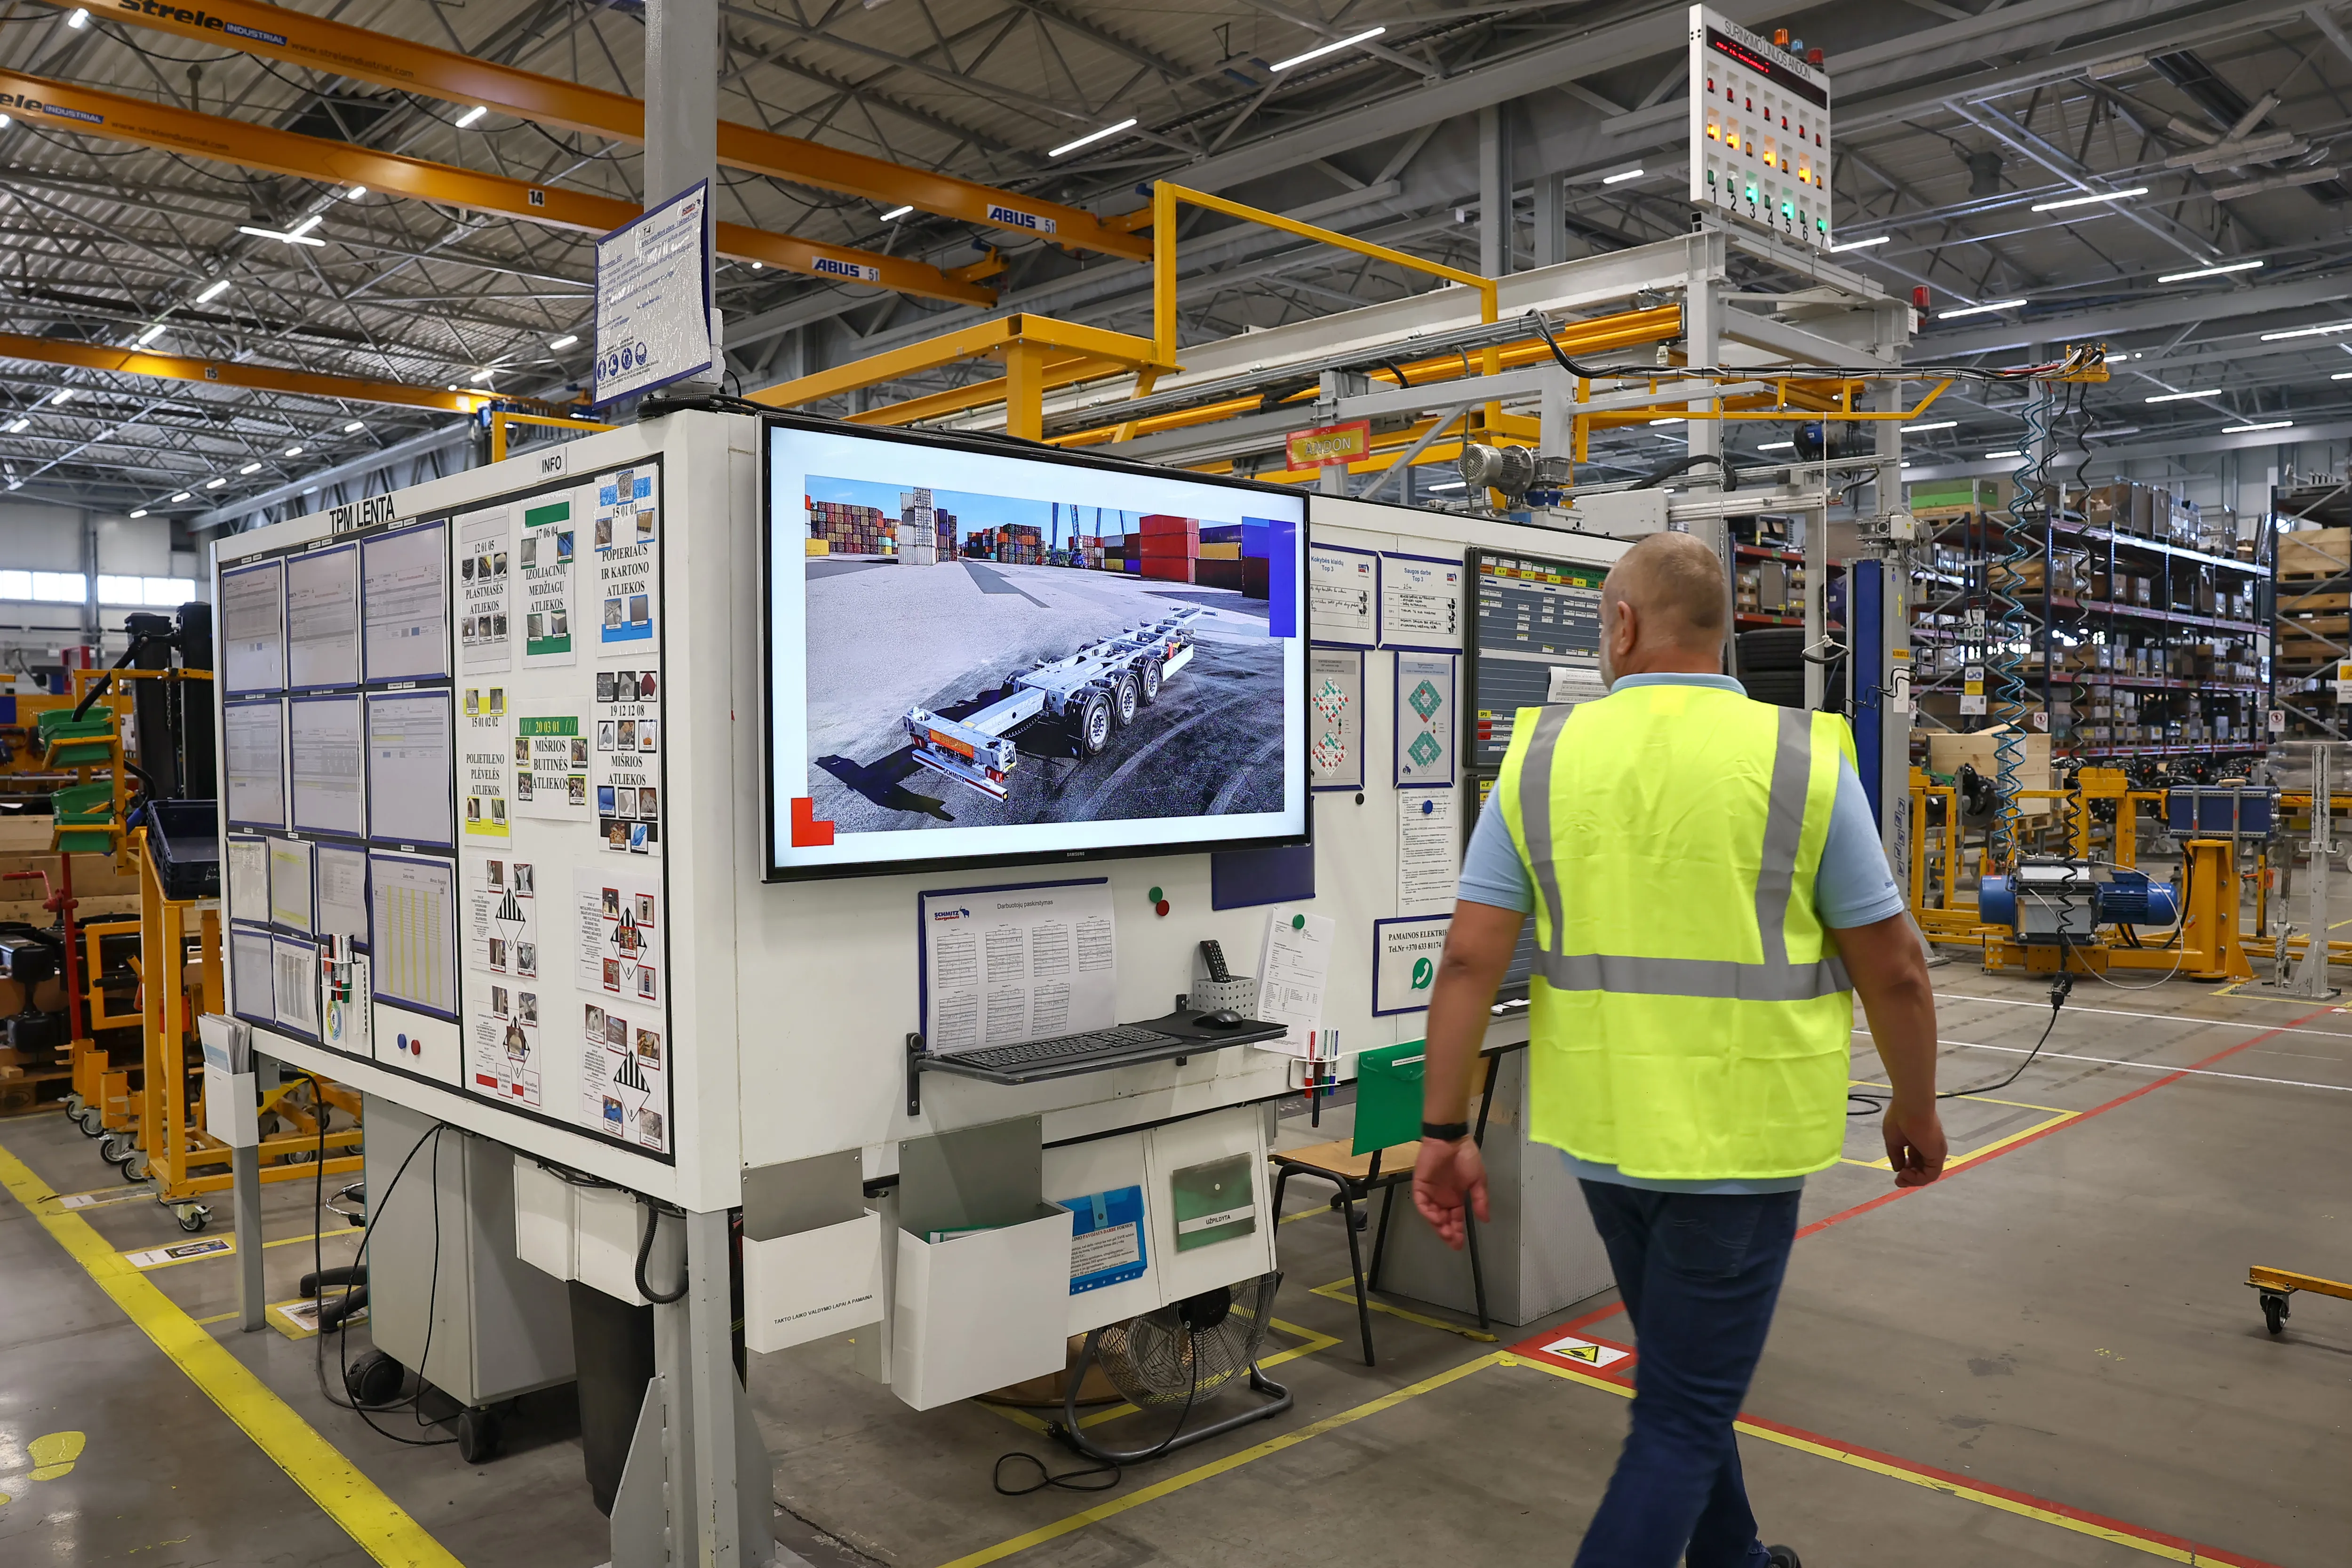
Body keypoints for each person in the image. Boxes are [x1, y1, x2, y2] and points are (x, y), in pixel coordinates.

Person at [1411, 531, 1945, 1568]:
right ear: (1725, 631)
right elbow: (1899, 972)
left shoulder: (1545, 756)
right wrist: (1914, 1105)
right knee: (1682, 1416)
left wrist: (1443, 1131)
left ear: (1620, 625)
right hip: (1741, 1149)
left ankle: (1734, 1556)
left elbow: (1471, 962)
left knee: (1681, 1383)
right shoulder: (1799, 757)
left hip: (1606, 1139)